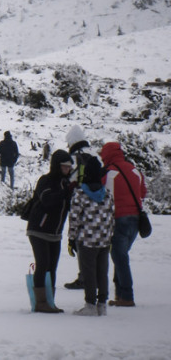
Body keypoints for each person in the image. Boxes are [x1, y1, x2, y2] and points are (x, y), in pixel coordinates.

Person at [100, 141, 148, 308]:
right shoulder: (135, 170)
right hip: (135, 219)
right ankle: (120, 295)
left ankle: (126, 296)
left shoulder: (108, 173)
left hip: (118, 218)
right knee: (120, 256)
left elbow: (100, 194)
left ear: (106, 155)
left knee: (120, 257)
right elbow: (143, 193)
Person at [25, 149, 73, 313]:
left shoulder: (66, 184)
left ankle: (49, 301)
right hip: (38, 229)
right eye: (65, 166)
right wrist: (65, 193)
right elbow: (46, 199)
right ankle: (40, 302)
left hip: (55, 233)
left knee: (52, 266)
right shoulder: (46, 180)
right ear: (56, 166)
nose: (68, 169)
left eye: (69, 166)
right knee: (43, 263)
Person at [67, 156, 115, 316]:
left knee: (89, 273)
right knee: (102, 272)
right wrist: (110, 237)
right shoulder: (107, 194)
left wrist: (71, 239)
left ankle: (90, 305)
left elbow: (74, 218)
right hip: (104, 239)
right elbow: (111, 217)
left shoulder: (80, 194)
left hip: (86, 240)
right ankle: (102, 304)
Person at [63, 125, 101, 290]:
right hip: (99, 205)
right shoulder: (95, 156)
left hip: (81, 204)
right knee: (97, 244)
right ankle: (96, 277)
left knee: (81, 243)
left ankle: (84, 278)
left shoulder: (77, 157)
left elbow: (71, 181)